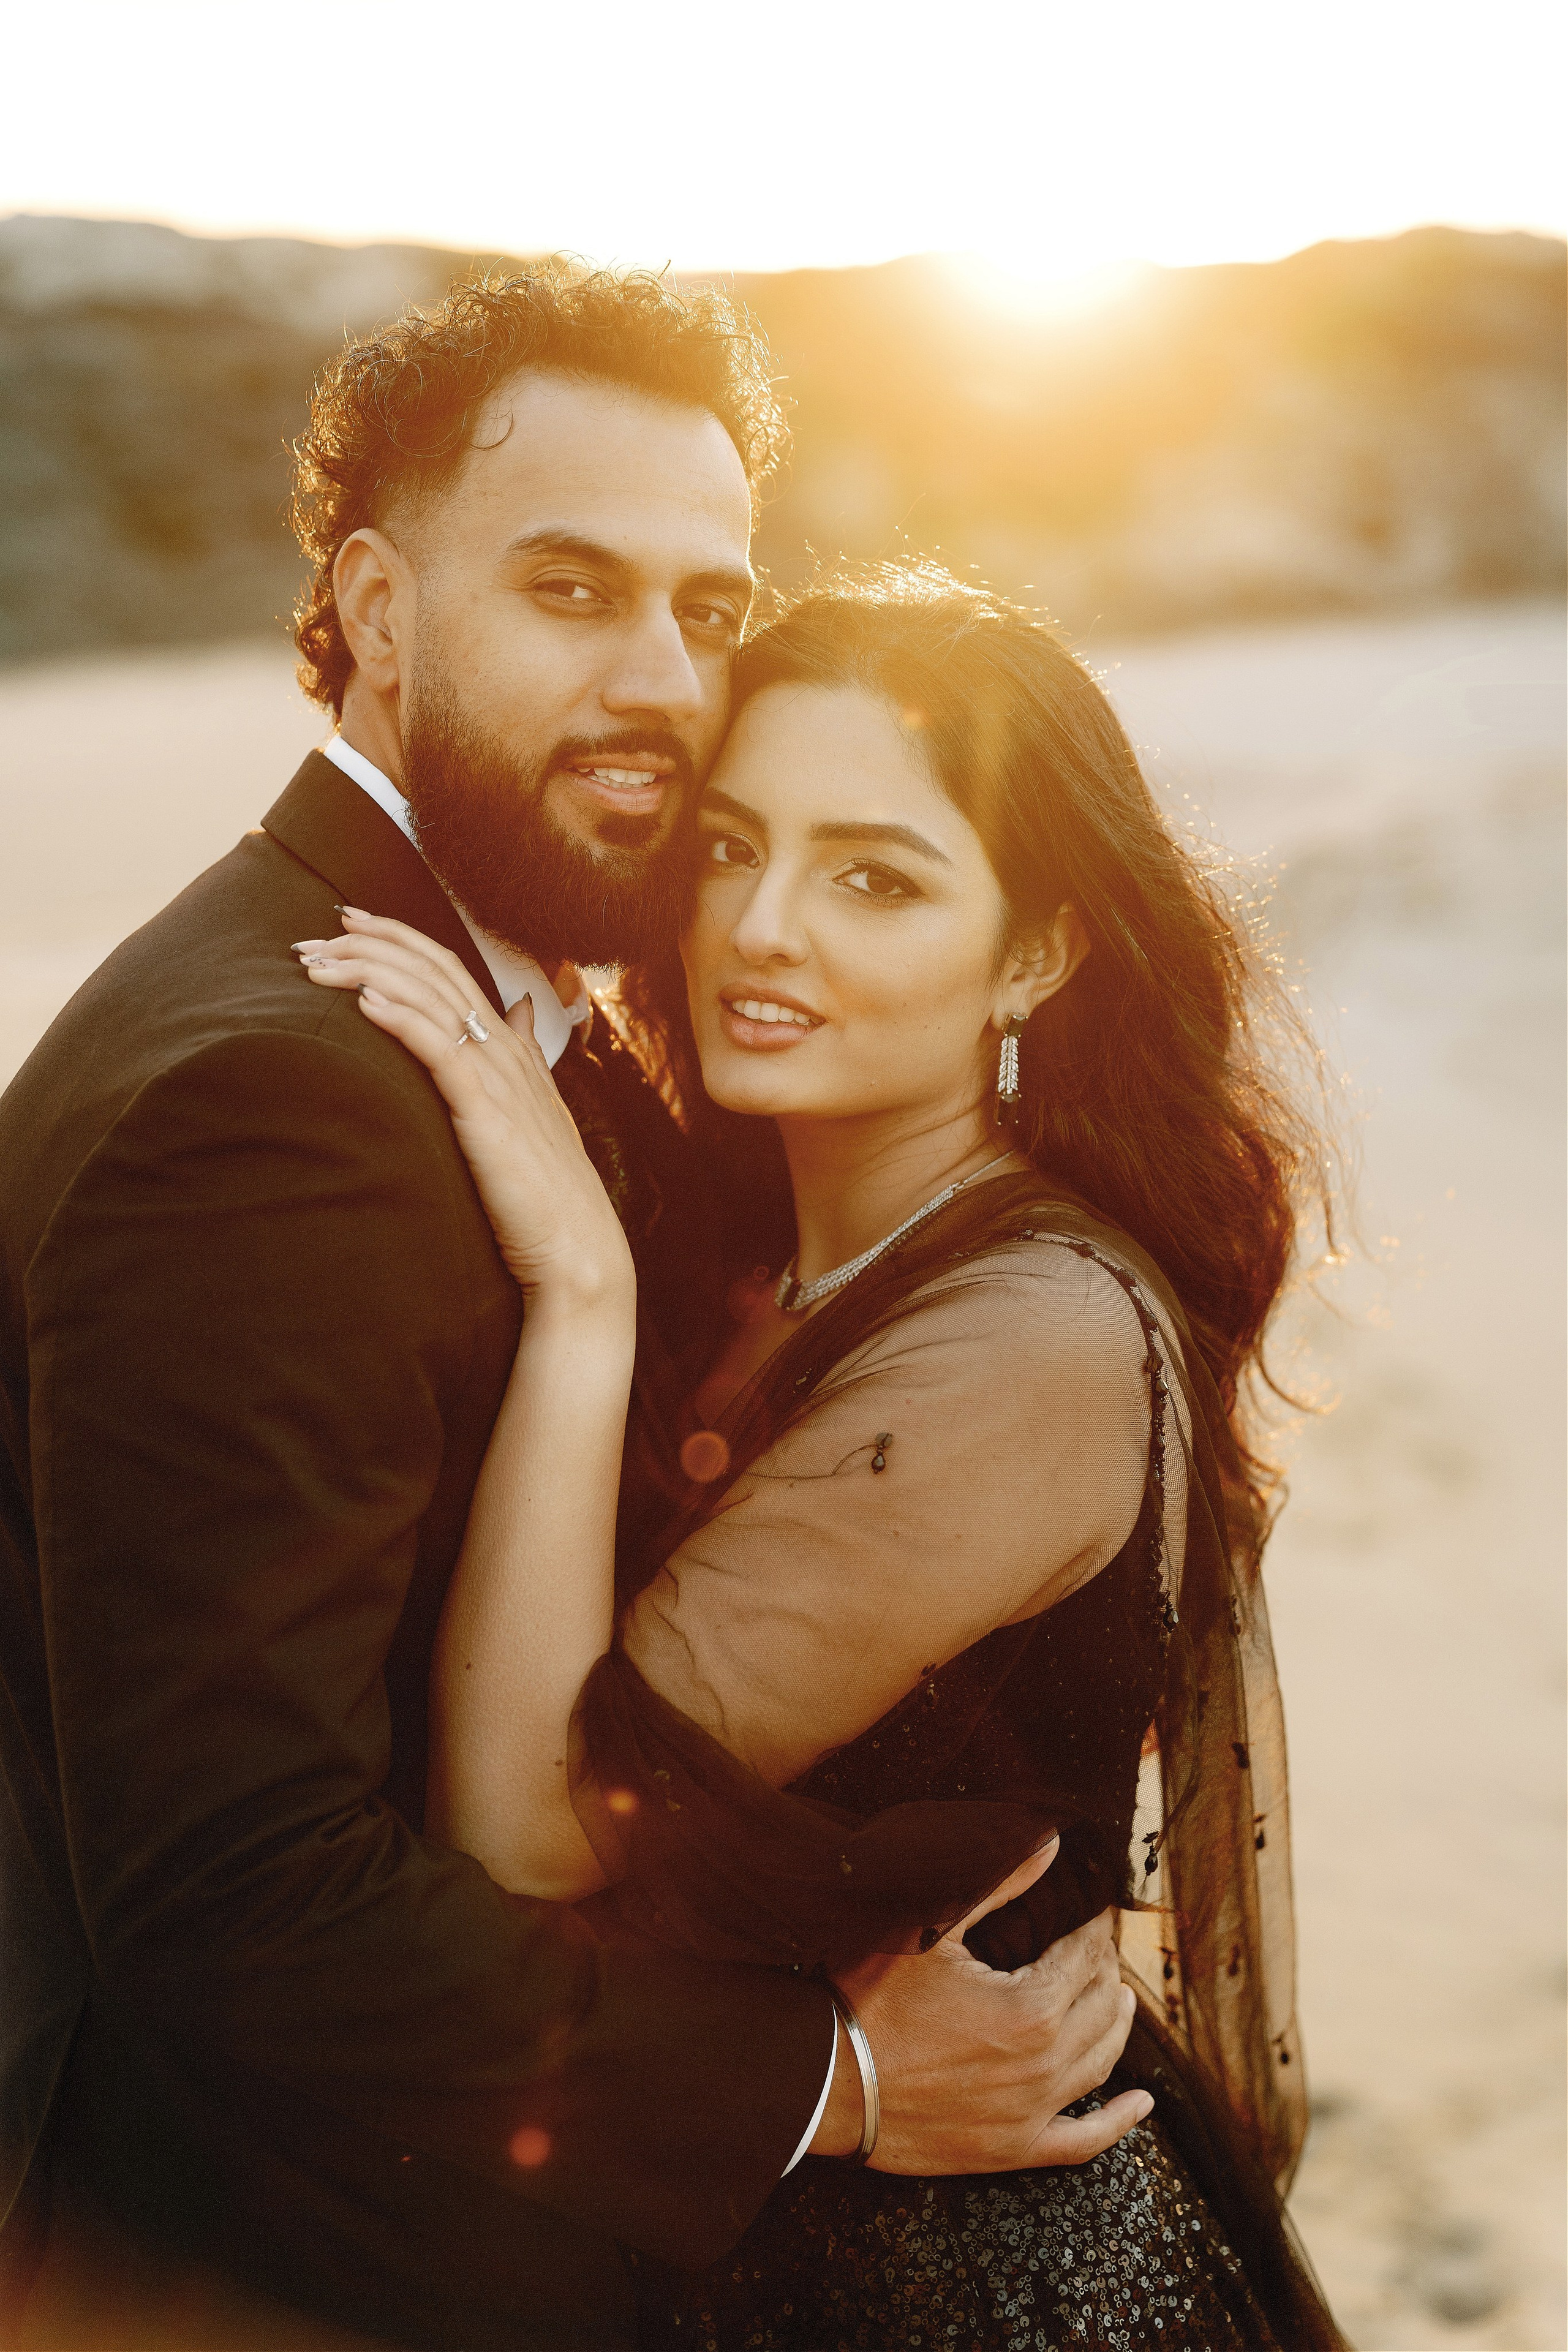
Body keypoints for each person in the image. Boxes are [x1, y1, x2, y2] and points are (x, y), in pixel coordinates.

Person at [0, 273, 1146, 2352]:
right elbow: (236, 1896)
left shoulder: (530, 1025)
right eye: (568, 588)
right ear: (368, 608)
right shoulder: (279, 1090)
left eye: (708, 609)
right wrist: (843, 2084)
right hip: (283, 2272)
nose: (659, 681)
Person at [297, 561, 1348, 2348]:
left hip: (983, 2283)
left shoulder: (1033, 1336)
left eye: (874, 876)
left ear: (1035, 948)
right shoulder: (761, 1237)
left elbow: (534, 1829)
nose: (762, 927)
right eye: (727, 846)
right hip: (768, 2224)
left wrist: (579, 1305)